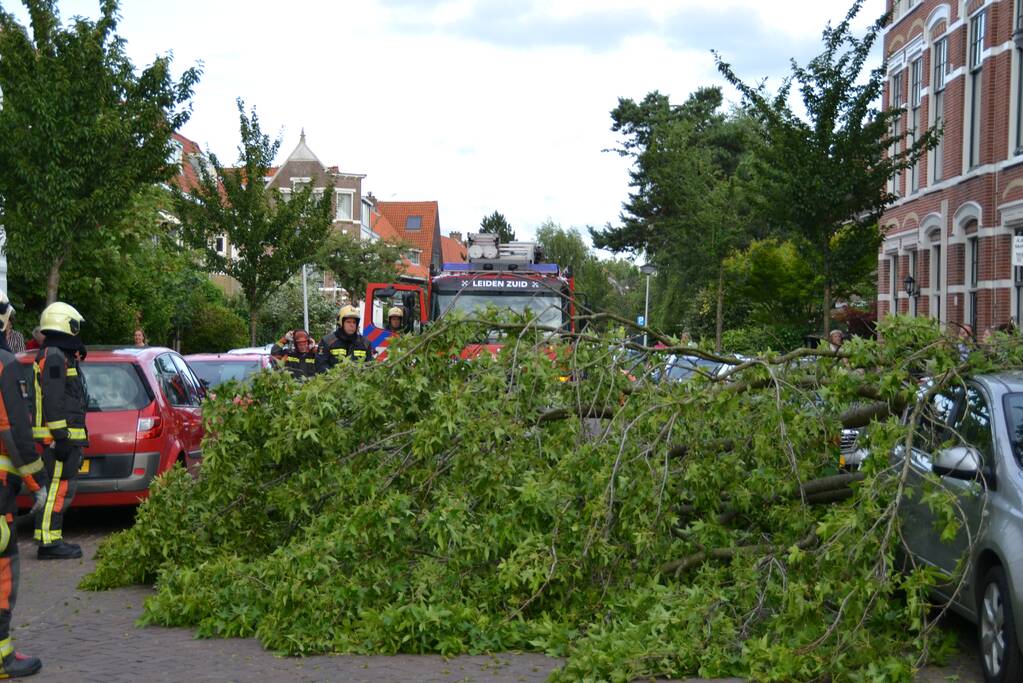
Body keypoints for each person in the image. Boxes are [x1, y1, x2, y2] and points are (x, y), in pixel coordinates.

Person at [0, 292, 46, 677]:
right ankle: (1, 657)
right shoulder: (6, 367)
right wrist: (37, 481)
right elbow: (14, 432)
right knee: (3, 569)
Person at [32, 302, 88, 560]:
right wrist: (61, 437)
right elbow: (53, 401)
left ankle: (52, 539)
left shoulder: (58, 354)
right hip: (56, 441)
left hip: (59, 439)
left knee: (61, 489)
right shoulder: (54, 356)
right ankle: (48, 542)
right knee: (56, 489)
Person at [316, 305, 373, 373]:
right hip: (335, 381)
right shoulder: (327, 341)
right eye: (348, 322)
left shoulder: (365, 343)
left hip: (357, 382)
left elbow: (370, 365)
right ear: (341, 323)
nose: (352, 325)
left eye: (354, 322)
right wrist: (334, 375)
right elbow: (320, 365)